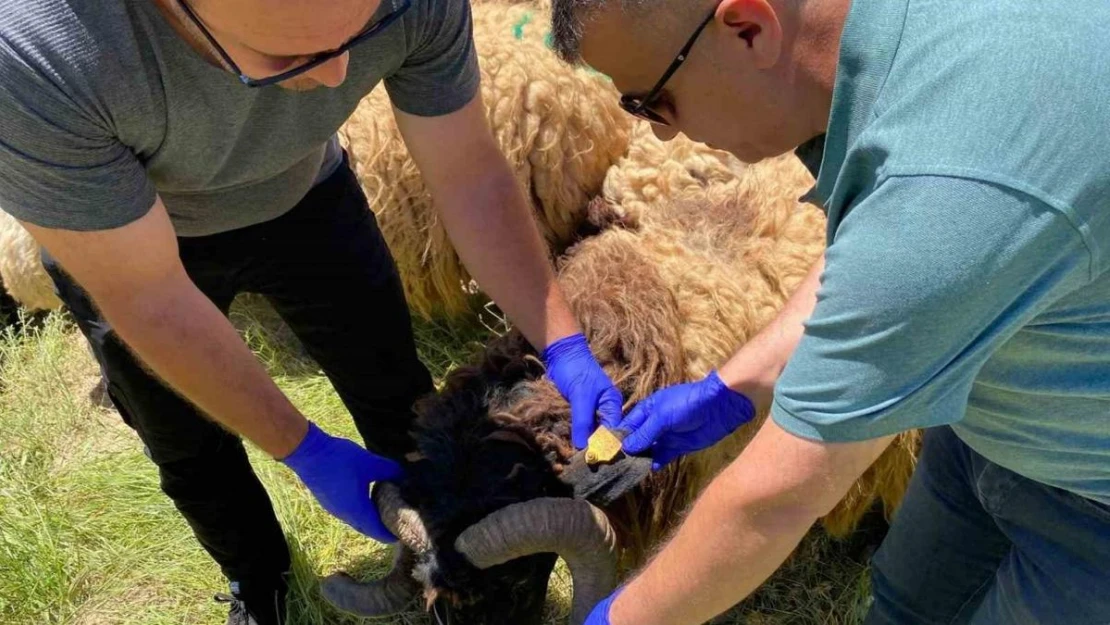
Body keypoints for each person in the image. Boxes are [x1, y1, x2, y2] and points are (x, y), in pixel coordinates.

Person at [0, 0, 624, 623]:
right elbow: (149, 295)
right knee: (184, 441)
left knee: (398, 395)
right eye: (286, 60)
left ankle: (442, 552)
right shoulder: (34, 57)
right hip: (127, 243)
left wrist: (561, 340)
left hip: (308, 202)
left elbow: (469, 172)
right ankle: (255, 575)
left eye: (365, 32)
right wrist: (302, 448)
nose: (336, 79)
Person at [548, 0, 1110, 622]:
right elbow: (883, 242)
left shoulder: (955, 186)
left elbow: (776, 500)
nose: (658, 133)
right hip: (998, 426)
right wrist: (736, 386)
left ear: (748, 28)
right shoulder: (906, 52)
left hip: (1093, 493)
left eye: (653, 100)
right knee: (906, 606)